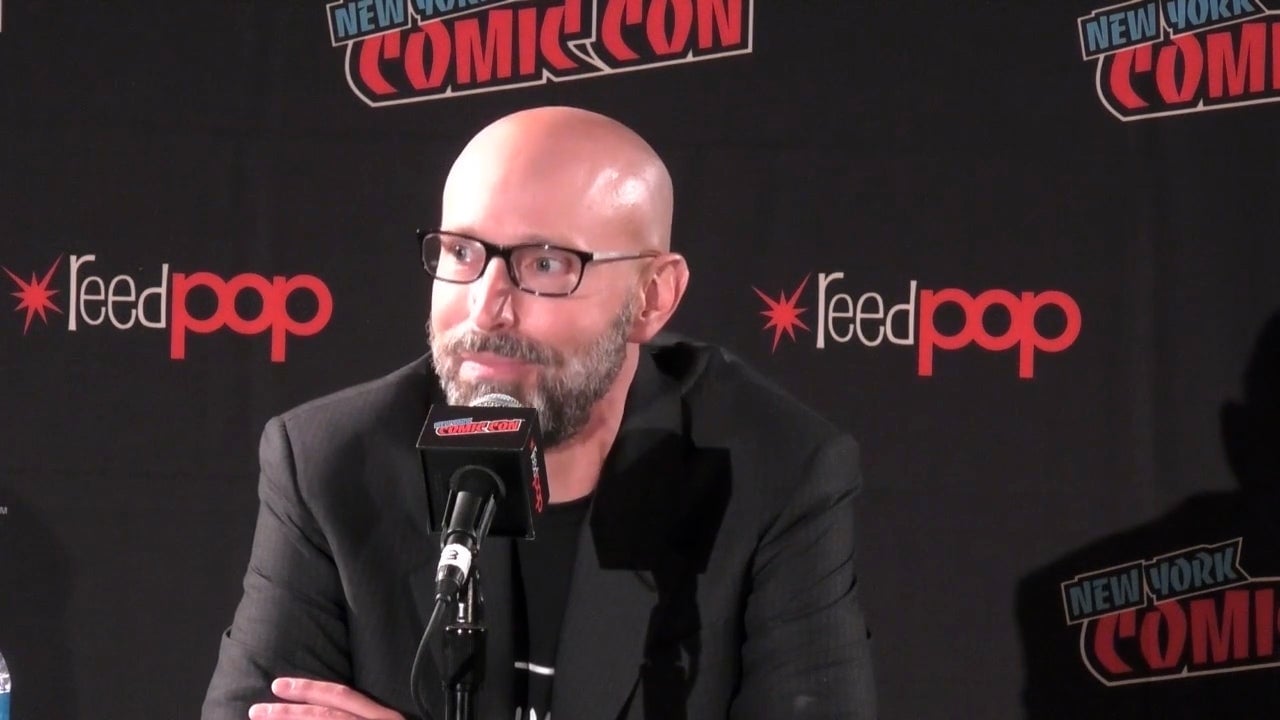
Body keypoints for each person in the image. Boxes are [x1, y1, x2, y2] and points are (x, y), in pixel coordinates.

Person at [200, 105, 877, 720]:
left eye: (546, 264)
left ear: (652, 297)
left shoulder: (774, 472)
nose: (486, 307)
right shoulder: (332, 460)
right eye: (462, 253)